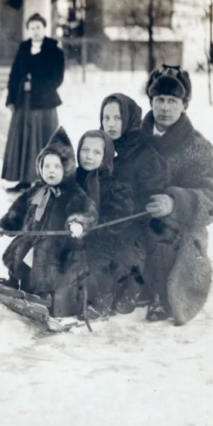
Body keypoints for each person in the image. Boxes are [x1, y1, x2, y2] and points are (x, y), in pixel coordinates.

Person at [139, 65, 213, 324]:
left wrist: (175, 203)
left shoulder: (198, 147)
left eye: (172, 101)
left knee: (166, 244)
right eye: (159, 100)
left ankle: (161, 297)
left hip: (179, 226)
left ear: (184, 105)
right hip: (135, 218)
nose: (165, 107)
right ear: (151, 102)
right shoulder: (135, 139)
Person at [0, 127, 98, 317]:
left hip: (61, 249)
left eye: (57, 167)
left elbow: (88, 210)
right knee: (21, 260)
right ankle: (19, 287)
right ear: (40, 169)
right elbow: (20, 207)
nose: (51, 171)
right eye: (47, 166)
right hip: (33, 242)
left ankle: (47, 300)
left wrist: (79, 223)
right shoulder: (37, 190)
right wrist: (8, 223)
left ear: (67, 169)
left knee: (50, 271)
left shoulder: (73, 194)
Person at [99, 93, 169, 313]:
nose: (110, 124)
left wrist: (125, 212)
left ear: (129, 120)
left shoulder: (145, 154)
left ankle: (134, 288)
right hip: (103, 223)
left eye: (117, 118)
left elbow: (153, 196)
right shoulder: (99, 148)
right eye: (106, 118)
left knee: (121, 257)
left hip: (135, 225)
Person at [2, 13, 66, 193]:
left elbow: (57, 79)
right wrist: (11, 98)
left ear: (44, 29)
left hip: (44, 104)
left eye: (38, 27)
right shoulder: (23, 48)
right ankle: (24, 180)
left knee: (42, 141)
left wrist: (34, 83)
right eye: (32, 28)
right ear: (28, 30)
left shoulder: (54, 50)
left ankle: (44, 181)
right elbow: (15, 75)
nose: (35, 31)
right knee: (25, 140)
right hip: (24, 103)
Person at [75, 130, 134, 317]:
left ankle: (98, 302)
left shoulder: (112, 185)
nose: (89, 157)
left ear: (106, 155)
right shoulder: (72, 179)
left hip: (102, 241)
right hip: (72, 235)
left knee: (94, 265)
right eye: (85, 150)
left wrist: (93, 228)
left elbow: (119, 216)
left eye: (96, 152)